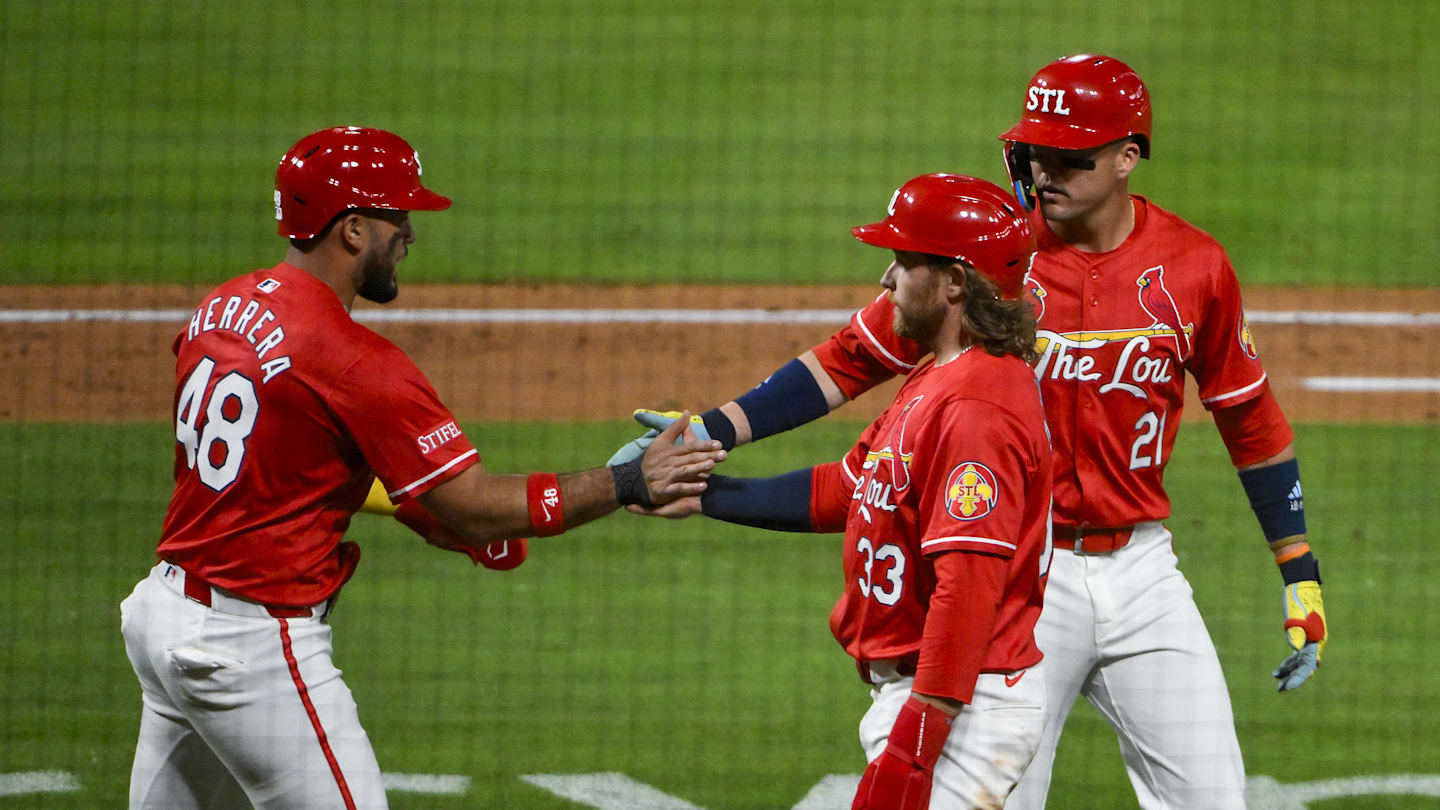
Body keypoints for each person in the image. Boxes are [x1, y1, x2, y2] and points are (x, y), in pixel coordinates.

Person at [614, 55, 1327, 808]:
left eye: (1070, 156)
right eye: (1034, 152)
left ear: (1128, 158)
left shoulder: (1195, 266)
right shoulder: (991, 256)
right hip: (1021, 575)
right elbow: (852, 358)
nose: (1045, 171)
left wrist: (1299, 567)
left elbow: (1249, 418)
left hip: (1143, 571)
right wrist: (713, 429)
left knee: (1217, 800)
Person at [119, 126, 726, 810]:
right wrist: (627, 483)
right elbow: (476, 506)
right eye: (396, 215)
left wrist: (417, 509)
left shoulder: (219, 309)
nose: (409, 231)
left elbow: (281, 458)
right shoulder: (355, 362)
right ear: (351, 229)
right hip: (251, 649)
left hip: (163, 614)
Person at [635, 174, 1054, 809]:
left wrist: (914, 749)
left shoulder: (977, 407)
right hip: (930, 702)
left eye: (903, 261)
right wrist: (705, 493)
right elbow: (850, 488)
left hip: (957, 711)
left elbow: (967, 586)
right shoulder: (935, 379)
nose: (886, 280)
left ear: (955, 283)